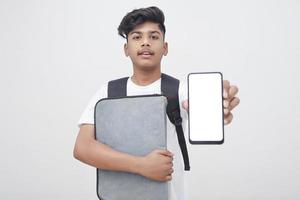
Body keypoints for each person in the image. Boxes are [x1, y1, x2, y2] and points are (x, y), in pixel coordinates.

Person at [73, 6, 240, 200]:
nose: (145, 42)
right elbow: (82, 148)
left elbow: (209, 101)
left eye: (153, 37)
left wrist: (220, 100)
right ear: (126, 49)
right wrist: (141, 165)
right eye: (137, 37)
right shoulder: (108, 93)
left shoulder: (180, 90)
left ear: (165, 47)